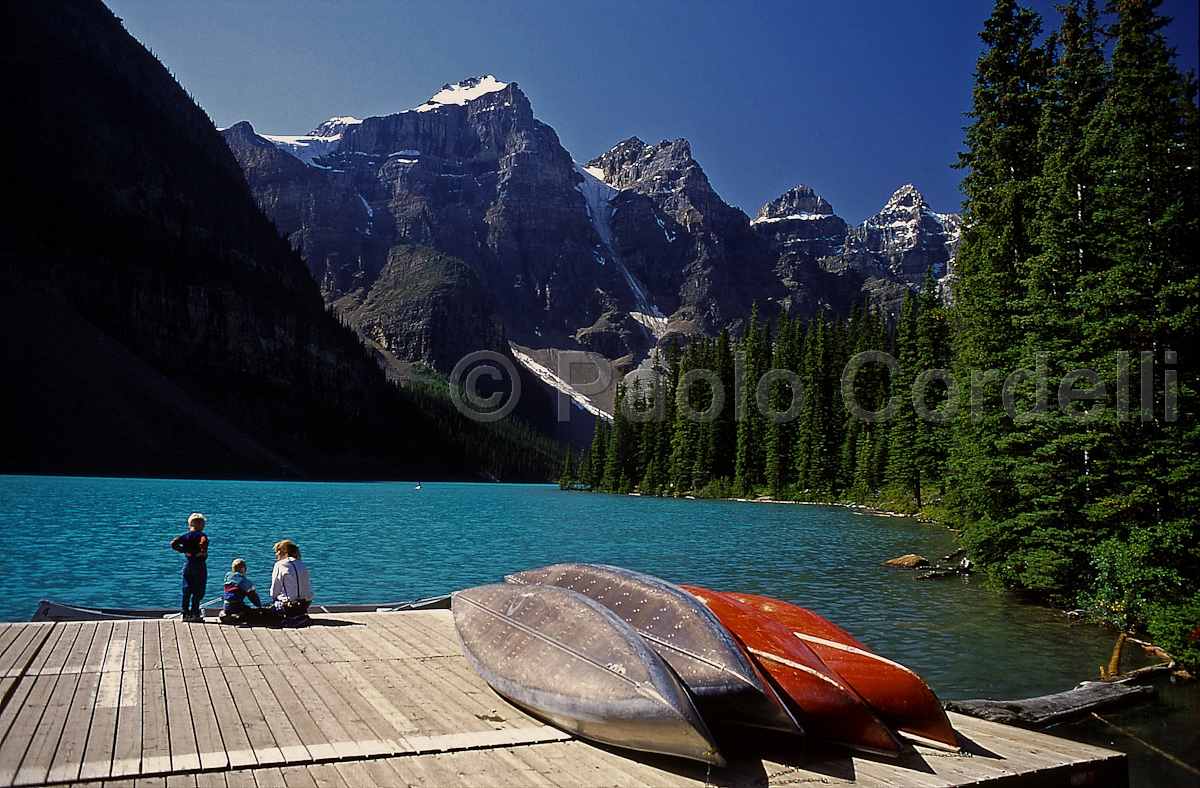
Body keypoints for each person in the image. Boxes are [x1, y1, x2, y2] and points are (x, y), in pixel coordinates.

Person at [170, 512, 209, 621]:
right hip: (199, 565)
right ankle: (195, 613)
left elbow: (174, 543)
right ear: (201, 524)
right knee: (198, 590)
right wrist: (202, 551)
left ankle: (185, 613)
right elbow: (203, 542)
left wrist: (184, 551)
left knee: (186, 589)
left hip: (188, 564)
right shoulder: (202, 535)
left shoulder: (186, 536)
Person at [270, 539, 313, 623]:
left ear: (285, 550)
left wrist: (275, 600)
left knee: (263, 609)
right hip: (305, 603)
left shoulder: (280, 565)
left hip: (290, 605)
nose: (276, 554)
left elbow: (275, 590)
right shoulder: (302, 564)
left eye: (278, 551)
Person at [219, 558, 268, 625]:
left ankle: (227, 616)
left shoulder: (228, 577)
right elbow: (253, 597)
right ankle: (236, 617)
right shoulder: (244, 581)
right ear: (243, 569)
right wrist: (260, 606)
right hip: (237, 606)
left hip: (226, 606)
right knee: (251, 613)